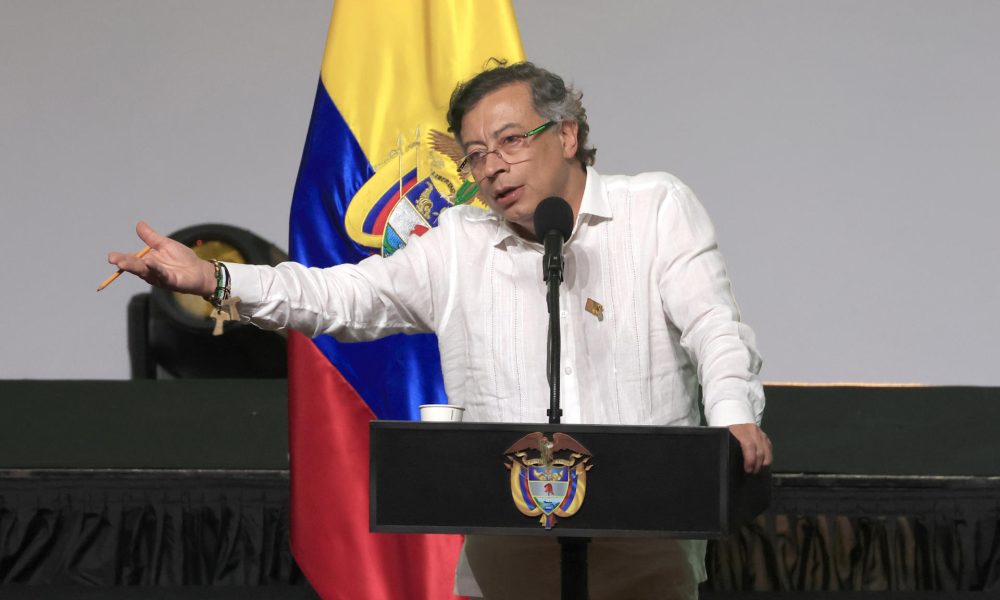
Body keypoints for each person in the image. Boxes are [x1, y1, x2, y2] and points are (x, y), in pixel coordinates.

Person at [109, 61, 772, 599]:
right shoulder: (457, 243)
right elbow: (343, 296)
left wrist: (733, 413)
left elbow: (712, 324)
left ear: (566, 135)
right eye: (477, 155)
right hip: (507, 543)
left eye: (511, 141)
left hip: (646, 533)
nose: (492, 168)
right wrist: (217, 281)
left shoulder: (654, 210)